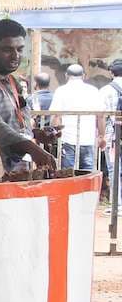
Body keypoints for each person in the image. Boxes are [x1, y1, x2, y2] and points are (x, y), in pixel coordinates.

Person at [0, 19, 57, 171]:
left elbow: (15, 123)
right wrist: (32, 148)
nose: (15, 56)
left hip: (17, 169)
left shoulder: (14, 81)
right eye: (7, 50)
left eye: (20, 49)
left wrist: (36, 134)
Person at [49, 63, 104, 171]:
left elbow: (56, 116)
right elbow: (101, 116)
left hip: (67, 139)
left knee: (68, 174)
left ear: (66, 75)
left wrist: (55, 135)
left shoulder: (61, 91)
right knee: (89, 174)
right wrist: (102, 136)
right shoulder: (93, 91)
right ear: (83, 76)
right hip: (88, 139)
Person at [102, 60, 122, 213]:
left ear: (111, 72)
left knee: (114, 169)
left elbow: (102, 116)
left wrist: (101, 136)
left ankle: (117, 205)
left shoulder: (105, 90)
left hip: (113, 136)